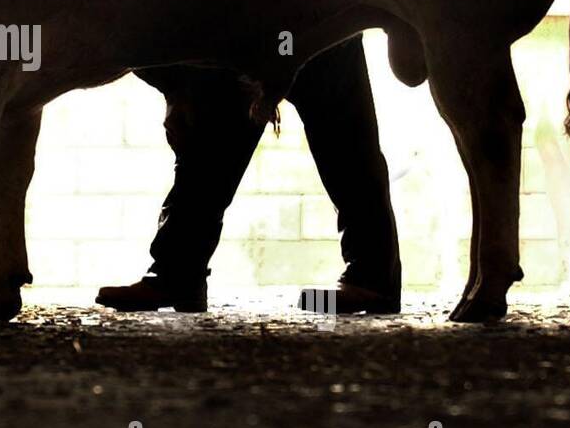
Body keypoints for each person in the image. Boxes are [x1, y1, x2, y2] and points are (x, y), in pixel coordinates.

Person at [97, 36, 402, 315]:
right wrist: (178, 92)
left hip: (294, 19)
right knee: (213, 139)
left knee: (343, 139)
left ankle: (371, 281)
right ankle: (177, 276)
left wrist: (177, 91)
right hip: (268, 24)